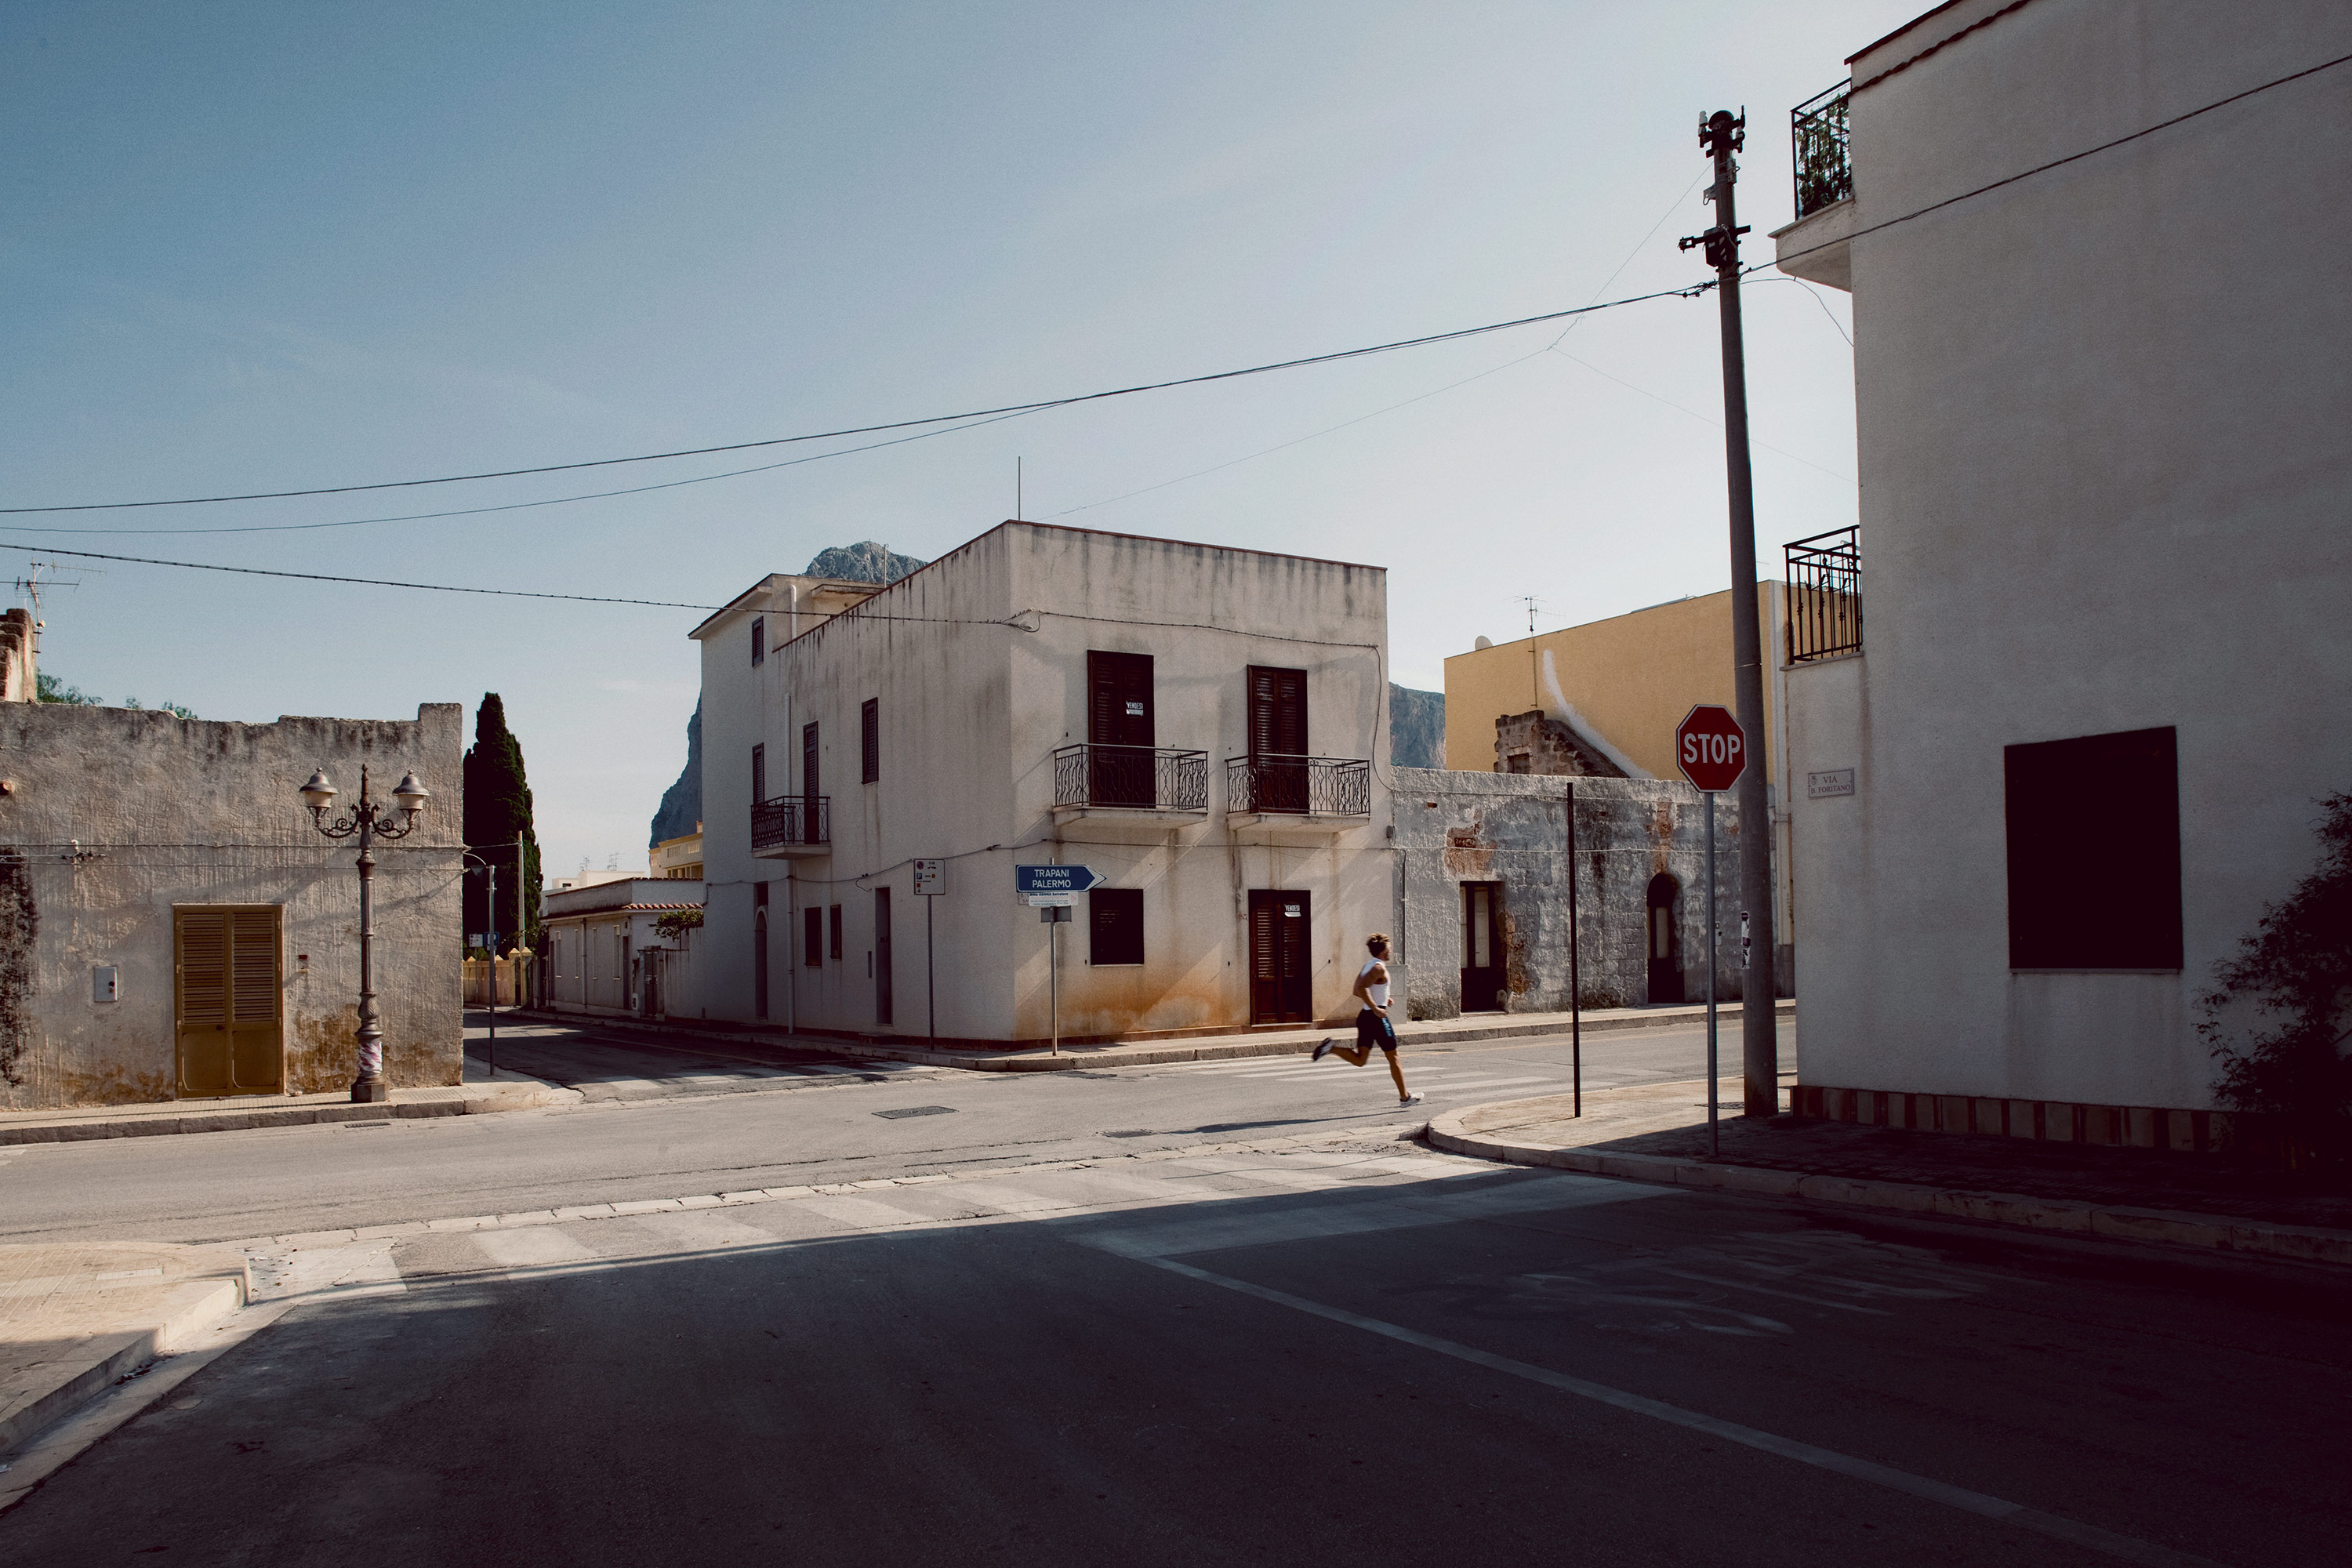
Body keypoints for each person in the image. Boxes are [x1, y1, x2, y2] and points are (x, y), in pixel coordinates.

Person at [1312, 933, 1420, 1105]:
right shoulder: (1378, 968)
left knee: (1361, 1060)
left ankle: (1331, 1048)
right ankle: (1404, 1097)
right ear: (1384, 949)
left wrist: (1383, 999)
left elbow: (1358, 989)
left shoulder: (1368, 966)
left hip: (1365, 1017)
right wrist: (1377, 1007)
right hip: (1375, 1018)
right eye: (1389, 947)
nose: (1391, 950)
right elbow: (1362, 989)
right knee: (1394, 1057)